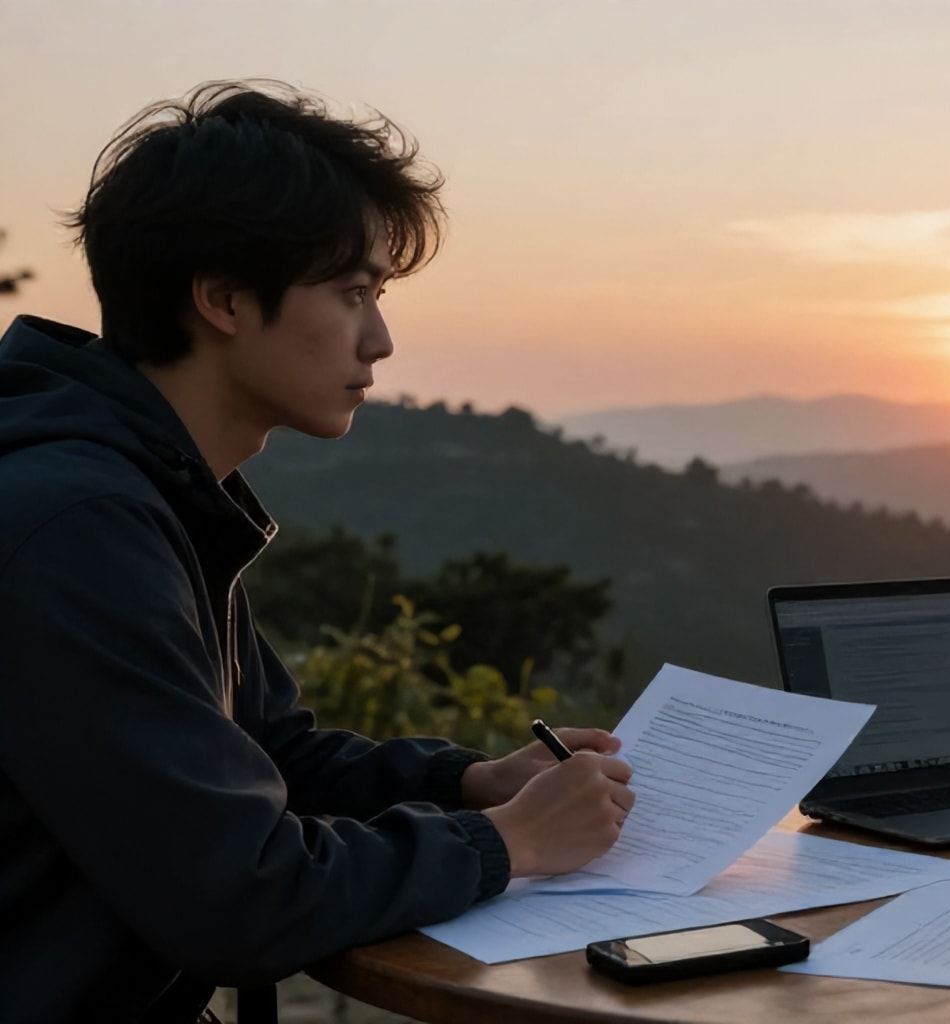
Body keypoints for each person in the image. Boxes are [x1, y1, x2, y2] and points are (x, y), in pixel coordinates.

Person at [0, 81, 635, 1022]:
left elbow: (269, 753)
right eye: (352, 293)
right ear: (220, 298)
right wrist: (503, 841)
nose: (380, 339)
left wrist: (463, 781)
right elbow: (238, 898)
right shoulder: (78, 526)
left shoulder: (155, 491)